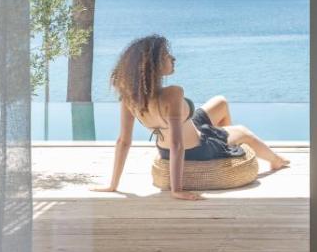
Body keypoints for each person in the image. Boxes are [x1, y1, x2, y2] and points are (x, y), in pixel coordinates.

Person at [96, 34, 290, 200]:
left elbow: (123, 141)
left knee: (220, 102)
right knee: (243, 131)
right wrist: (177, 190)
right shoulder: (173, 94)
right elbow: (177, 145)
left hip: (173, 142)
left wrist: (113, 185)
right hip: (198, 147)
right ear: (153, 65)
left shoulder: (131, 97)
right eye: (166, 55)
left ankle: (225, 144)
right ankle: (275, 160)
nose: (173, 58)